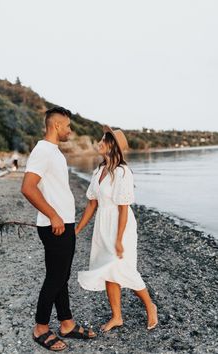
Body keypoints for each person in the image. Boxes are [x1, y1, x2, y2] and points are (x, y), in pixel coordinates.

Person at [21, 106, 96, 352]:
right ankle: (41, 327)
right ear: (56, 125)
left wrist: (60, 217)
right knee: (55, 277)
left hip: (63, 223)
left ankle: (67, 323)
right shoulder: (43, 151)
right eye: (68, 126)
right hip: (55, 226)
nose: (70, 130)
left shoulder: (53, 152)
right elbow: (28, 187)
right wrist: (53, 215)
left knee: (61, 276)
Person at [76, 126, 158, 332]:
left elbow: (123, 208)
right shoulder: (97, 171)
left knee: (124, 269)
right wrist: (77, 229)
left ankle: (150, 306)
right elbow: (92, 204)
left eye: (104, 140)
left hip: (121, 226)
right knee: (108, 271)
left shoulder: (123, 172)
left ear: (112, 146)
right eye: (102, 138)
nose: (100, 142)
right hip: (102, 225)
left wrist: (119, 239)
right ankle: (117, 317)